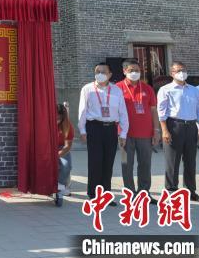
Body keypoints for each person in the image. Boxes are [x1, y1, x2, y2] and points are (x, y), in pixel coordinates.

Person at [78, 62, 128, 204]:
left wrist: (123, 133)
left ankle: (106, 194)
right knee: (95, 161)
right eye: (97, 71)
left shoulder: (117, 90)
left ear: (110, 74)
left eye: (103, 72)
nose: (99, 74)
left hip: (111, 128)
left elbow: (123, 112)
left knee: (108, 162)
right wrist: (82, 129)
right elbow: (82, 110)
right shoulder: (87, 89)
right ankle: (93, 193)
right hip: (94, 127)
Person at [157, 60, 199, 201]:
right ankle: (172, 192)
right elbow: (161, 112)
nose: (181, 73)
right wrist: (164, 130)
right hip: (174, 126)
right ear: (172, 73)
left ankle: (191, 191)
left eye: (183, 70)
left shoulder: (194, 90)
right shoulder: (165, 89)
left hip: (191, 127)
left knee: (190, 161)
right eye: (178, 70)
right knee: (172, 161)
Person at [116, 58, 160, 203]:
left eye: (137, 70)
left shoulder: (147, 88)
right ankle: (130, 194)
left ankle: (144, 193)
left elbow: (154, 111)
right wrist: (119, 132)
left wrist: (156, 130)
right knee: (126, 165)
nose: (134, 73)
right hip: (125, 134)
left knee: (145, 164)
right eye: (131, 70)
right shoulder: (117, 88)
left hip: (145, 134)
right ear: (124, 71)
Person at [57, 102, 74, 197]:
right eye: (55, 117)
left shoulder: (68, 126)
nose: (57, 120)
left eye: (59, 118)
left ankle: (61, 185)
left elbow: (68, 146)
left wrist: (57, 155)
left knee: (66, 165)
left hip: (62, 148)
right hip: (47, 147)